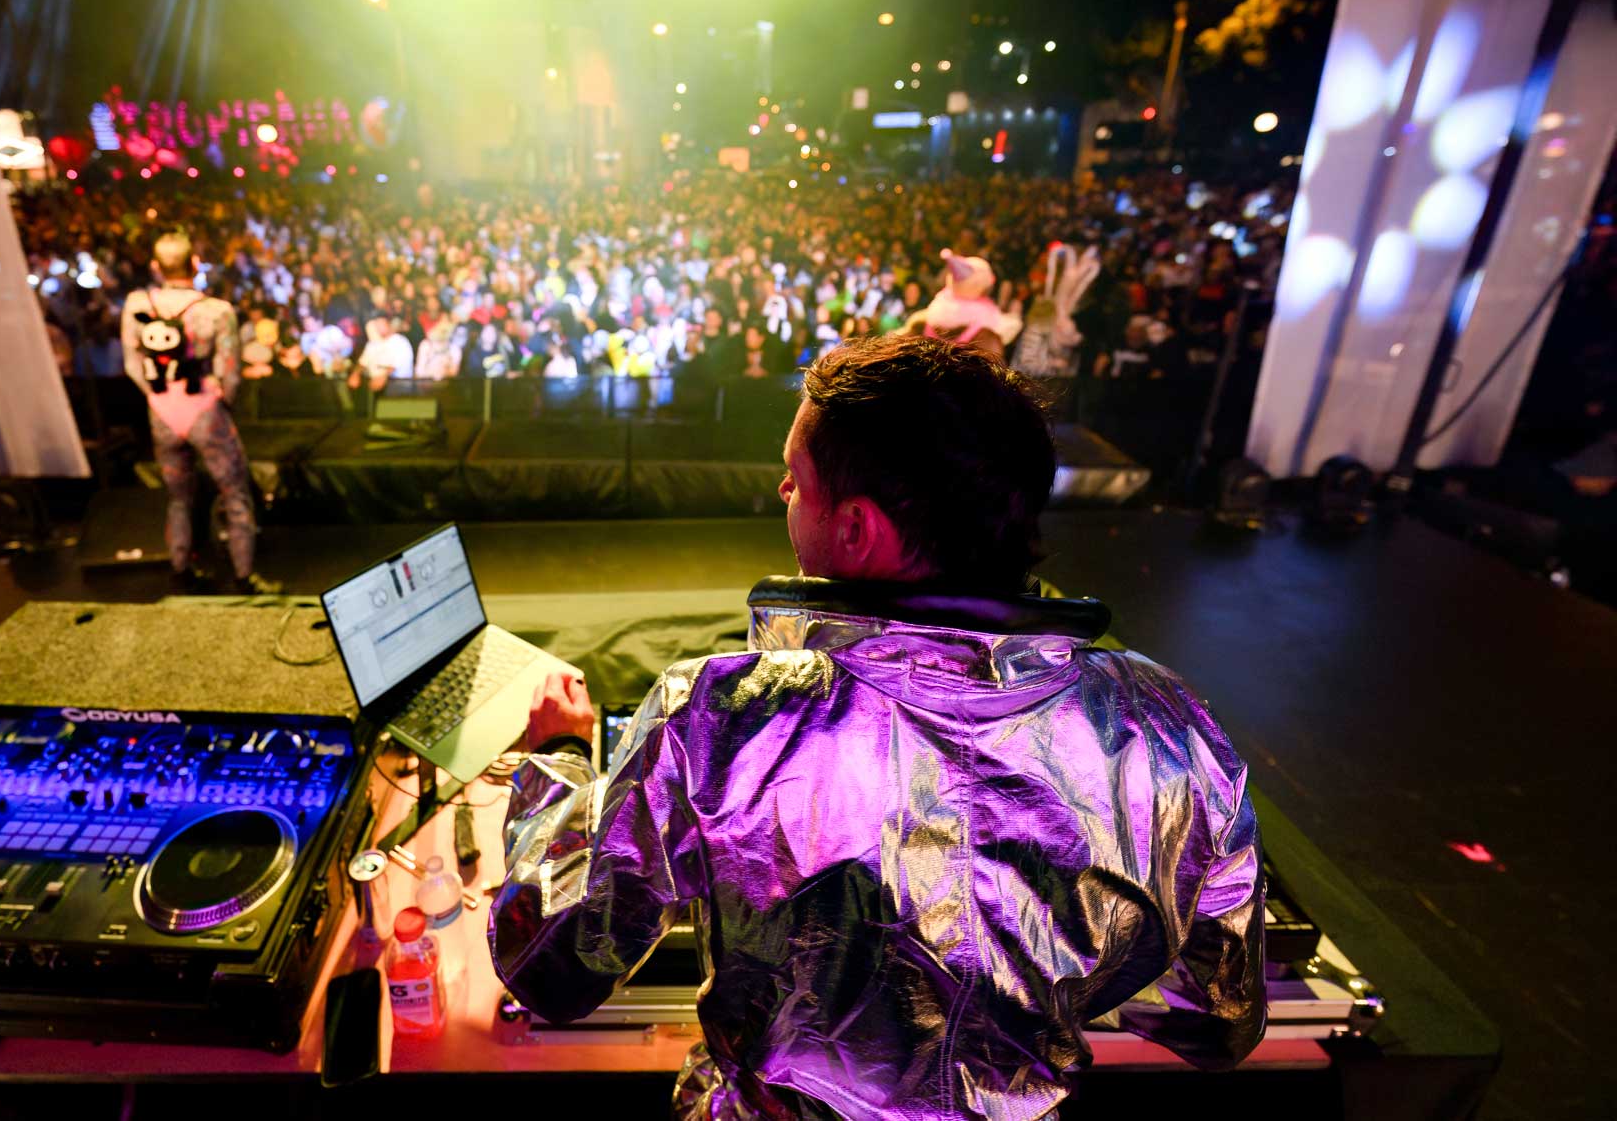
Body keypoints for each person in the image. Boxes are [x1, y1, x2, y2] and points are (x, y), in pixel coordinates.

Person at [489, 334, 1265, 1119]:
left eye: (796, 478)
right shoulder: (1172, 726)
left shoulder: (717, 717)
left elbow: (550, 962)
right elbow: (1221, 1021)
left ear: (857, 529)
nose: (781, 487)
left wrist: (554, 758)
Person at [120, 231, 275, 594]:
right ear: (194, 264)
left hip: (162, 413)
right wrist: (220, 401)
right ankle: (244, 577)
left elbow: (132, 364)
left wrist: (158, 397)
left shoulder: (135, 304)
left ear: (156, 267)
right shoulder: (216, 310)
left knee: (177, 497)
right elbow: (230, 371)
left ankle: (181, 572)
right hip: (206, 411)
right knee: (235, 493)